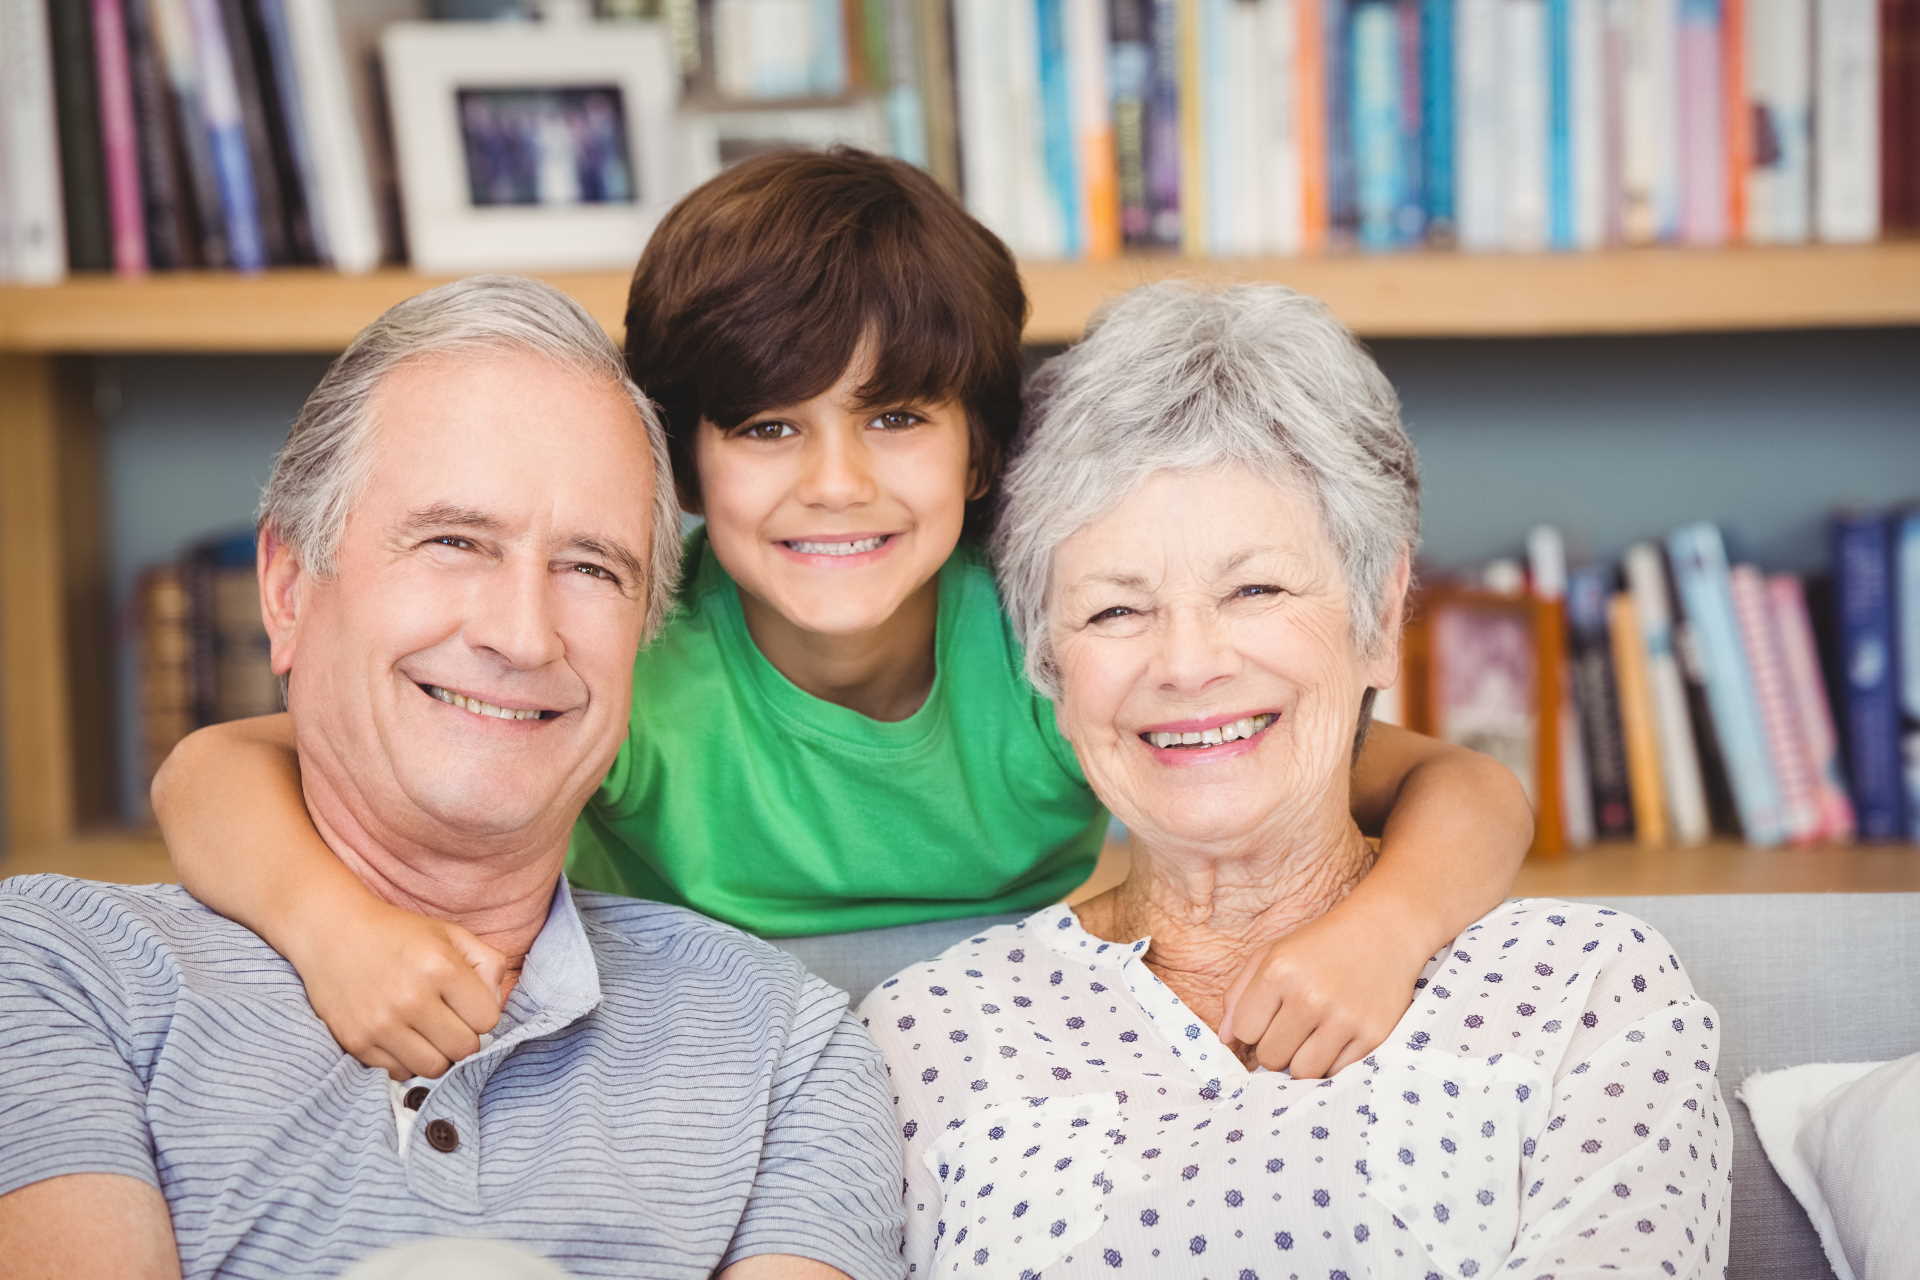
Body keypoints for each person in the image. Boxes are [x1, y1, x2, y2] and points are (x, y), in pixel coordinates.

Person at [152, 148, 1533, 1087]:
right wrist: (333, 930)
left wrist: (1381, 931)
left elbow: (1464, 785)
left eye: (894, 416)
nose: (834, 484)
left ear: (983, 448)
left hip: (1015, 1069)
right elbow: (215, 769)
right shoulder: (639, 665)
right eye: (765, 425)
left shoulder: (1054, 639)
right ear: (682, 464)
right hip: (698, 1076)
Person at [0, 277, 902, 1280]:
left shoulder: (790, 1052)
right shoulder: (51, 974)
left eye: (592, 567)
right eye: (454, 541)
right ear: (288, 588)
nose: (521, 633)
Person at [861, 281, 1731, 1277]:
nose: (1187, 664)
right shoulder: (923, 1033)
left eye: (1255, 589)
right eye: (1114, 611)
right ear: (1047, 664)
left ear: (1378, 611)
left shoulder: (1585, 989)